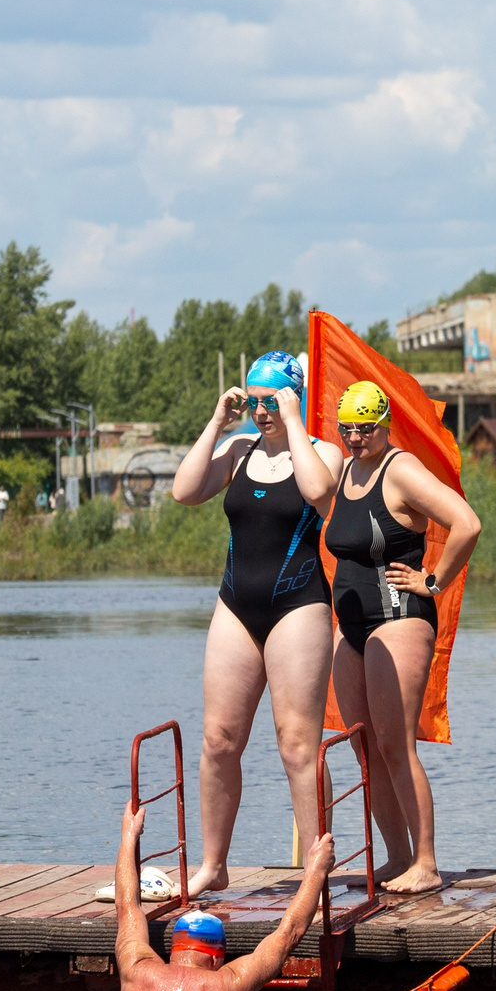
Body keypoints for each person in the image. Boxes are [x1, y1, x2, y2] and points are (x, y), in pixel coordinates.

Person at [171, 350, 340, 892]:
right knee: (218, 739)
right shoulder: (239, 449)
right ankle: (213, 866)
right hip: (236, 604)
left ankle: (317, 868)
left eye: (272, 400)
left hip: (298, 606)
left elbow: (320, 492)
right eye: (254, 401)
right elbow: (185, 491)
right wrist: (218, 421)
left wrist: (295, 424)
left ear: (295, 397)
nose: (260, 411)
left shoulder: (323, 452)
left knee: (297, 746)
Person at [325, 379, 482, 895]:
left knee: (397, 746)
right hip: (350, 630)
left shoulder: (402, 470)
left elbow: (467, 523)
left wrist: (433, 580)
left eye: (364, 430)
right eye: (347, 429)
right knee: (364, 749)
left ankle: (427, 862)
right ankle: (396, 858)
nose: (354, 438)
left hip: (400, 620)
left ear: (384, 424)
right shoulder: (346, 468)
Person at [111, 801, 333, 991]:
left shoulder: (136, 970)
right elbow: (289, 933)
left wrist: (128, 837)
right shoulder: (231, 984)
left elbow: (126, 906)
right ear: (216, 958)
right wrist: (316, 870)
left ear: (174, 950)